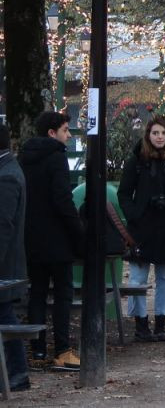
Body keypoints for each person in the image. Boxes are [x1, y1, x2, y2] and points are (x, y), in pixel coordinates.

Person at [119, 116, 165, 342]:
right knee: (138, 277)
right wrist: (135, 214)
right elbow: (124, 193)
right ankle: (140, 322)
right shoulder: (137, 161)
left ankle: (161, 321)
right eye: (155, 133)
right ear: (148, 136)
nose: (159, 137)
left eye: (163, 133)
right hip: (143, 227)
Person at [18, 111, 82, 369]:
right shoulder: (56, 158)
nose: (69, 135)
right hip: (57, 237)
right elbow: (62, 200)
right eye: (66, 130)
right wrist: (76, 230)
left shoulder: (25, 158)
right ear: (52, 133)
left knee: (38, 293)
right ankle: (63, 349)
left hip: (32, 236)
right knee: (63, 294)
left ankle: (38, 348)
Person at [0, 121, 30, 393]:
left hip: (5, 264)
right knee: (5, 314)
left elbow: (3, 226)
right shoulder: (9, 169)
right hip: (8, 263)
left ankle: (18, 372)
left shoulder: (6, 176)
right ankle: (16, 372)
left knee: (5, 314)